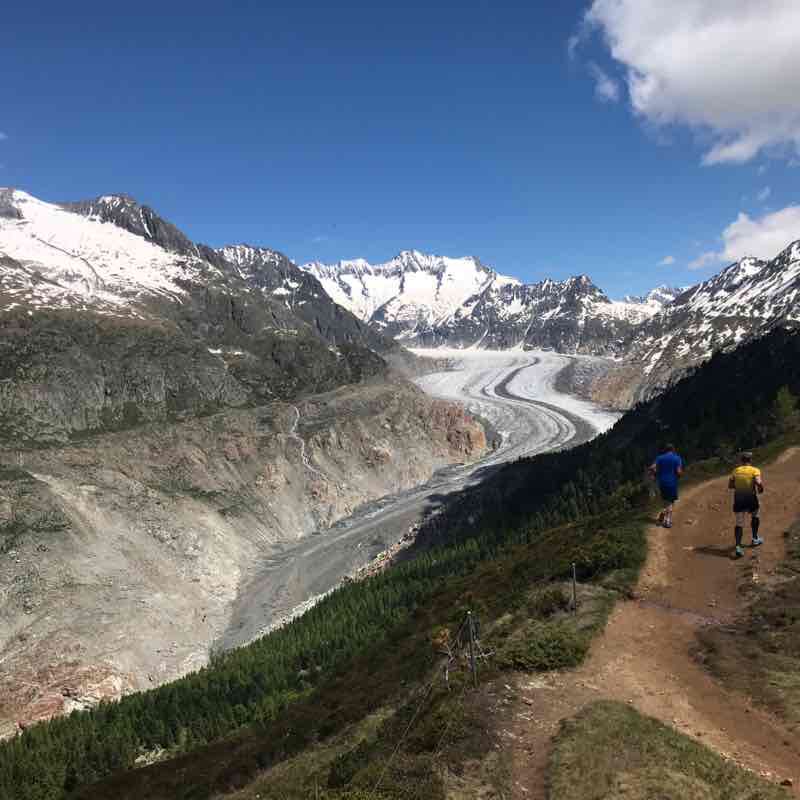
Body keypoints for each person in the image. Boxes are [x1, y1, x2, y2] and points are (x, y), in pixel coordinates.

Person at [729, 451, 764, 558]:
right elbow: (758, 482)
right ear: (750, 460)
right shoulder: (755, 470)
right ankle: (754, 538)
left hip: (739, 498)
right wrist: (761, 487)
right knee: (755, 515)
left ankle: (738, 546)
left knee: (739, 522)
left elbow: (730, 485)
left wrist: (739, 487)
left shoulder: (735, 471)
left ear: (741, 461)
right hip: (751, 497)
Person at [648, 443, 684, 528]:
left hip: (662, 483)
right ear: (673, 450)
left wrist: (654, 474)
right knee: (671, 502)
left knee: (665, 501)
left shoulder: (659, 458)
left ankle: (663, 512)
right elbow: (678, 472)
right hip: (672, 483)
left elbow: (652, 467)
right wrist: (679, 475)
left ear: (665, 450)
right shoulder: (677, 458)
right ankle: (667, 521)